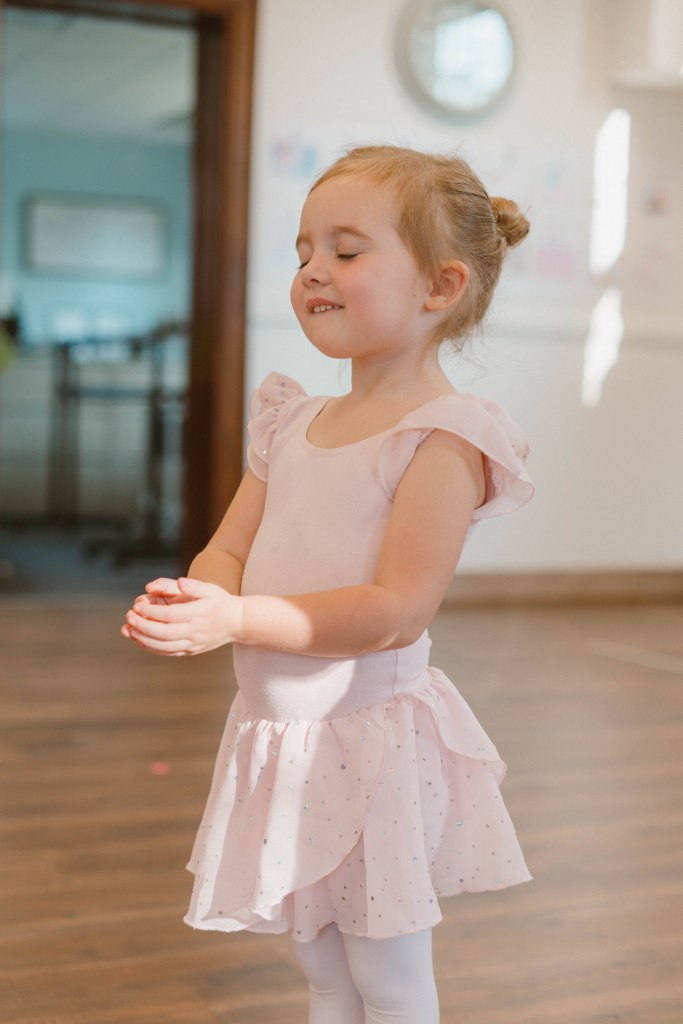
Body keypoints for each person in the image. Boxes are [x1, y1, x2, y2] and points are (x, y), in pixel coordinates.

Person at [121, 144, 534, 1023]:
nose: (313, 269)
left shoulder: (443, 436)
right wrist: (201, 600)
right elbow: (229, 549)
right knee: (320, 969)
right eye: (303, 250)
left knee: (387, 976)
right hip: (279, 743)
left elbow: (395, 612)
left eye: (345, 251)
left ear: (440, 286)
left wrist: (238, 619)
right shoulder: (290, 421)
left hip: (369, 748)